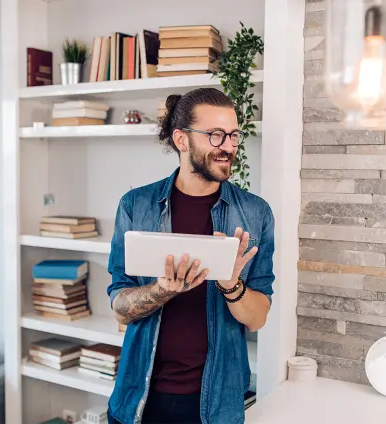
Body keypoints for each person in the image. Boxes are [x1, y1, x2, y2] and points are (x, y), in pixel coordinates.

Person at [105, 87, 275, 424]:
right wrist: (162, 290)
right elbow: (120, 310)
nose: (228, 146)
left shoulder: (255, 215)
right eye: (215, 135)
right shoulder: (135, 206)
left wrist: (231, 283)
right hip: (139, 397)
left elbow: (257, 318)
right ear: (182, 140)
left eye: (234, 136)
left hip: (216, 405)